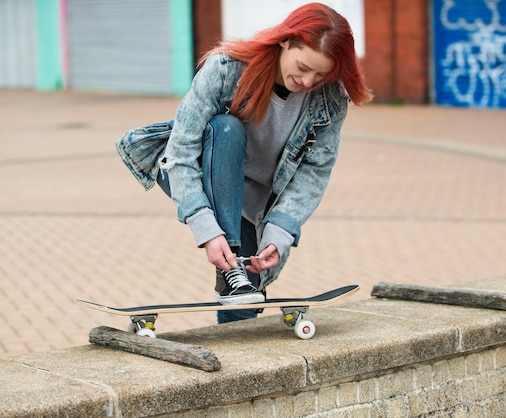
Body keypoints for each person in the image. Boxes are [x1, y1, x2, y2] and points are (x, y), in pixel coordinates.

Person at [116, 2, 372, 323]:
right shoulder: (226, 70)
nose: (308, 82)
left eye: (320, 74)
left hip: (254, 205)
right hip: (193, 171)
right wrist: (207, 231)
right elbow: (181, 151)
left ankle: (235, 290)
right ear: (285, 41)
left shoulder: (330, 98)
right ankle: (233, 263)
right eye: (303, 67)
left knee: (242, 308)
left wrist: (279, 233)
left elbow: (314, 172)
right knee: (227, 128)